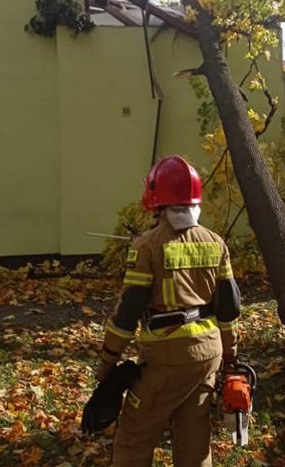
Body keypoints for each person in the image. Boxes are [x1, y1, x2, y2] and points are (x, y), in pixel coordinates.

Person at [97, 155, 243, 467]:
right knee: (195, 440)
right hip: (209, 353)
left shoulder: (147, 245)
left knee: (133, 436)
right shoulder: (216, 243)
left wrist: (109, 359)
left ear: (155, 200)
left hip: (166, 356)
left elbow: (128, 313)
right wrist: (230, 356)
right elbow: (228, 309)